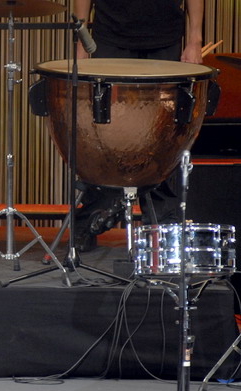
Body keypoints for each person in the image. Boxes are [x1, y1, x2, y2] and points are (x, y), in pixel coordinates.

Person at [72, 0, 204, 251]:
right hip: (110, 37)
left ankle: (161, 221)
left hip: (165, 37)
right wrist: (82, 41)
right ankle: (91, 218)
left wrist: (195, 40)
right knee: (106, 134)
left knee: (162, 133)